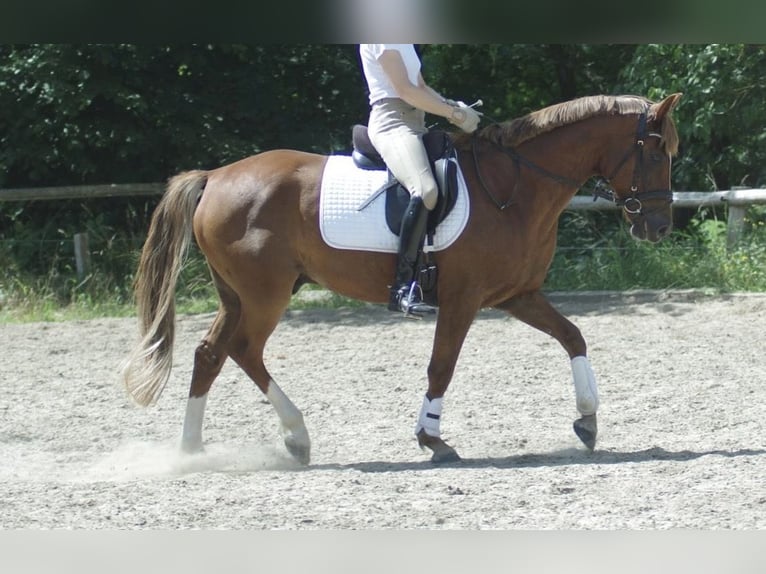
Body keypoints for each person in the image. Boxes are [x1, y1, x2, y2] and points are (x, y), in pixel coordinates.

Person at [359, 44, 481, 317]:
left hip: (416, 123)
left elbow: (422, 87)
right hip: (393, 124)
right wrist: (454, 115)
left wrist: (452, 105)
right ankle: (401, 288)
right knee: (425, 190)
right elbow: (405, 91)